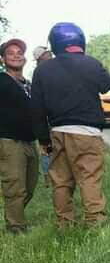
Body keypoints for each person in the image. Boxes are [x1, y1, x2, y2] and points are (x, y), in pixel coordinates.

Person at [31, 22, 110, 228]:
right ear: (80, 40)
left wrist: (44, 139)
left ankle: (64, 223)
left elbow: (37, 109)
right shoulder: (91, 63)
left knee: (61, 181)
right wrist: (93, 65)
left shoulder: (42, 70)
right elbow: (106, 85)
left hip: (58, 132)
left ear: (55, 44)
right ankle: (95, 223)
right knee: (90, 178)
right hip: (88, 133)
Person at [0, 38, 39, 234]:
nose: (16, 55)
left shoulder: (28, 85)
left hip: (30, 141)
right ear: (2, 59)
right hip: (9, 141)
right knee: (15, 186)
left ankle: (15, 217)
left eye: (19, 52)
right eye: (10, 52)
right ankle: (15, 227)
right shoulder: (1, 81)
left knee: (30, 186)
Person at [33, 46, 53, 186]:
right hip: (46, 118)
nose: (50, 55)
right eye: (46, 54)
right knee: (46, 148)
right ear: (40, 58)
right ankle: (48, 177)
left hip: (55, 116)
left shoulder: (54, 69)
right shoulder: (39, 72)